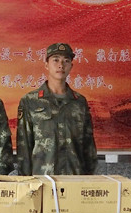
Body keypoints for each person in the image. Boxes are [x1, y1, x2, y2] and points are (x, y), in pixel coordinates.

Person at [16, 42, 97, 175]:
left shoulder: (79, 102)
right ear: (46, 65)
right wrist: (25, 180)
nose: (61, 65)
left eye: (66, 61)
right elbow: (24, 147)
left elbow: (89, 147)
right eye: (56, 60)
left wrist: (89, 179)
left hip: (74, 177)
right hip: (42, 178)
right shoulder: (30, 101)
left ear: (71, 66)